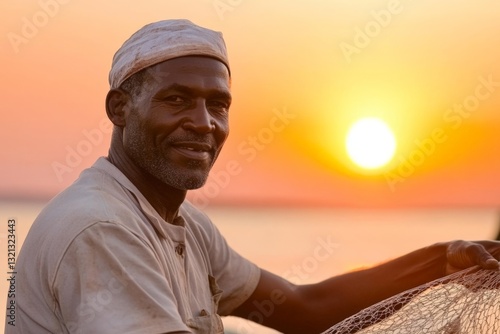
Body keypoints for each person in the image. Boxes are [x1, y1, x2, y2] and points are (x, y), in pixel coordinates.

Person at [6, 19, 500, 334]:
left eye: (217, 104)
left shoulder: (186, 227)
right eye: (176, 99)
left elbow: (306, 309)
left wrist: (442, 261)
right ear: (120, 108)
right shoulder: (101, 228)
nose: (203, 123)